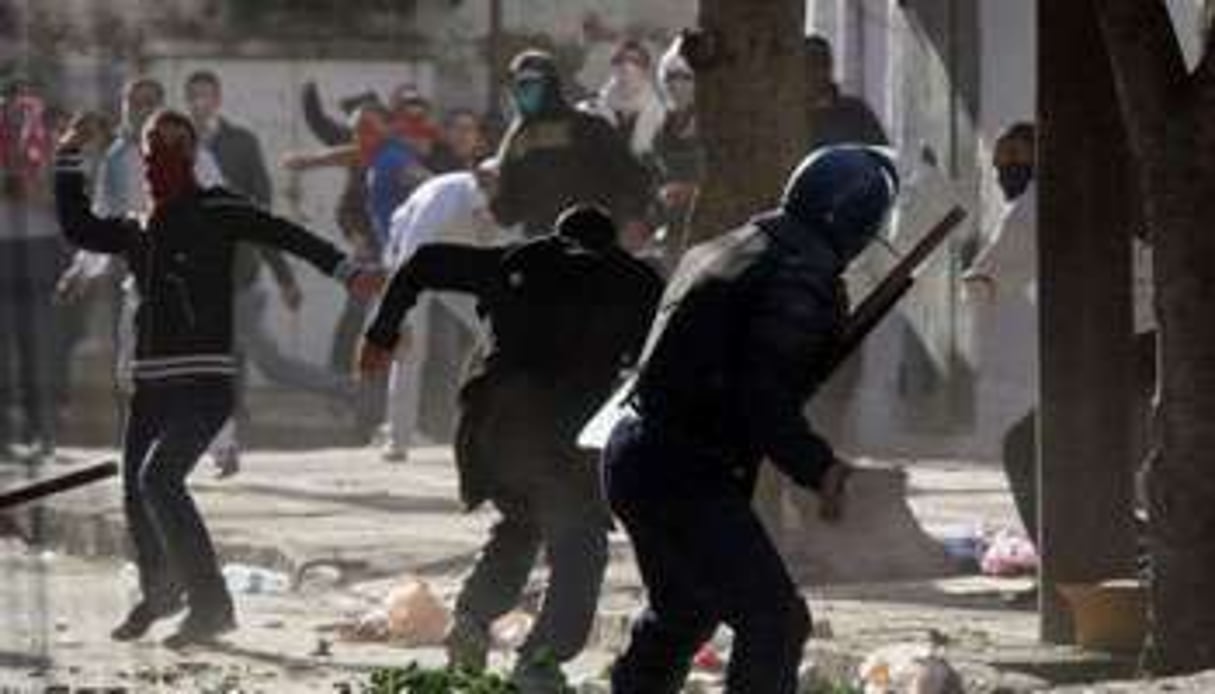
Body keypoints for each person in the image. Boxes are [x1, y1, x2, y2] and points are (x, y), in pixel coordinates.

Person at [54, 109, 382, 648]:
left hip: (205, 382)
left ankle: (211, 607)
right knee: (137, 493)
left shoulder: (218, 208)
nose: (162, 157)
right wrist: (68, 156)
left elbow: (285, 233)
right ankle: (161, 591)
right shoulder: (140, 226)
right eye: (152, 149)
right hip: (151, 384)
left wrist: (348, 272)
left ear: (191, 151)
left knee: (159, 480)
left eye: (175, 145)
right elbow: (80, 227)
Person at [602, 145, 899, 693]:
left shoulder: (734, 245)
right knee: (775, 620)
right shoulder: (797, 274)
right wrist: (819, 466)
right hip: (685, 467)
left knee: (684, 610)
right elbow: (759, 394)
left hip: (638, 453)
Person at [359, 205, 662, 689]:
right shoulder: (638, 280)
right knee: (579, 542)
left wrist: (381, 334)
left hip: (494, 424)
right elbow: (662, 354)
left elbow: (421, 261)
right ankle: (540, 660)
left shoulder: (512, 260)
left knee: (523, 520)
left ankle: (472, 622)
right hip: (567, 431)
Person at [185, 69, 358, 475]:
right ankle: (226, 439)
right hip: (194, 276)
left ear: (218, 98)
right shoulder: (176, 144)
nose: (199, 103)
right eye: (193, 96)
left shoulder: (240, 143)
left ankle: (345, 387)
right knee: (217, 360)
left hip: (239, 274)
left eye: (206, 95)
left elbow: (259, 212)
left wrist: (284, 277)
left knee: (265, 361)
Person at [379, 158, 509, 462]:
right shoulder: (442, 198)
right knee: (409, 347)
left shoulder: (509, 203)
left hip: (459, 267)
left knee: (501, 335)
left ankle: (500, 427)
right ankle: (397, 439)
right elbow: (409, 255)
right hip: (413, 266)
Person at [962, 122, 1039, 542]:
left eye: (1015, 161)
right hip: (1142, 348)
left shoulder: (1035, 205)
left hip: (1123, 352)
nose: (1004, 173)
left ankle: (1066, 569)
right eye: (999, 164)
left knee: (1026, 452)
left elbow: (986, 280)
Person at [492, 49, 652, 242]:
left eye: (529, 84)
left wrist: (630, 217)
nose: (521, 91)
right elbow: (507, 213)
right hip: (542, 245)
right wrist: (492, 193)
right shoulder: (517, 139)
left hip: (593, 240)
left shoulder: (588, 127)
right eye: (517, 85)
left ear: (550, 85)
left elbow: (634, 178)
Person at [0, 79, 60, 462]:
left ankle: (43, 432)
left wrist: (29, 177)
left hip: (37, 251)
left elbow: (59, 200)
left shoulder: (50, 145)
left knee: (34, 346)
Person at [650, 36, 704, 267]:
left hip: (704, 222)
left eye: (685, 77)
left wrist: (694, 190)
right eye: (671, 77)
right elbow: (656, 171)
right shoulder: (664, 125)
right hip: (671, 224)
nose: (676, 84)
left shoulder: (711, 122)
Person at [578, 39, 667, 161]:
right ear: (613, 68)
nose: (626, 67)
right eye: (619, 61)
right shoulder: (592, 108)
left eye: (635, 62)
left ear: (645, 70)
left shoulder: (660, 112)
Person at [805, 35, 889, 150]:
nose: (817, 72)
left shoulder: (857, 113)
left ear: (830, 66)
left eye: (822, 62)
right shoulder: (789, 115)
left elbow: (880, 157)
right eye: (809, 64)